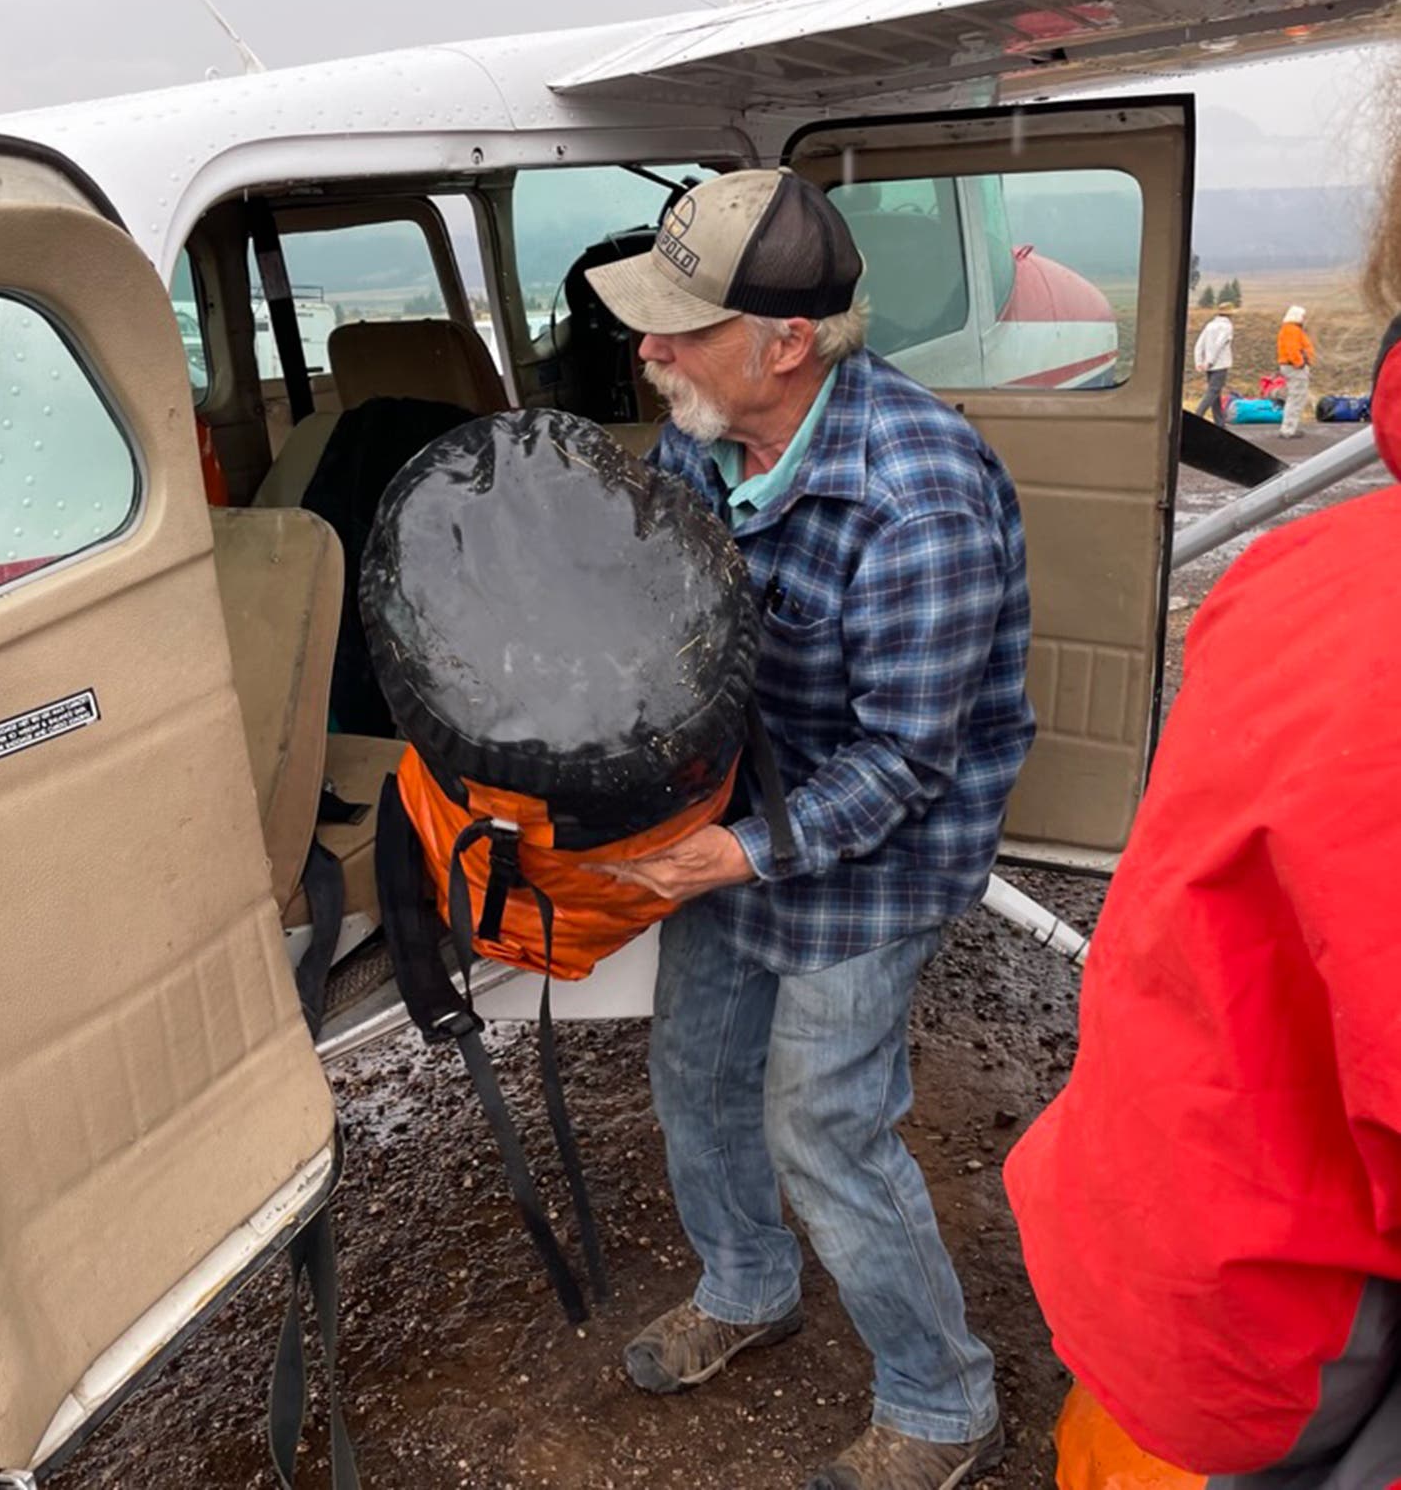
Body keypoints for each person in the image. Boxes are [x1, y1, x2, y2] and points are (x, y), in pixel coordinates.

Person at [584, 168, 1036, 1490]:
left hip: (876, 852)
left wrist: (730, 852)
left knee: (824, 1125)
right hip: (737, 807)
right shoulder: (701, 434)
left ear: (786, 344)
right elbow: (666, 618)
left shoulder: (918, 495)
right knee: (695, 1073)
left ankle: (944, 1404)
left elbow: (907, 760)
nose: (649, 349)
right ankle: (748, 1284)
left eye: (682, 326)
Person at [1002, 254, 1401, 1483]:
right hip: (1261, 1340)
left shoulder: (1292, 577)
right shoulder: (1313, 588)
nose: (650, 354)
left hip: (1199, 1324)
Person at [1276, 303, 1317, 437]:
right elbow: (1292, 349)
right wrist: (1300, 363)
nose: (1304, 319)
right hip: (1294, 367)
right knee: (1296, 397)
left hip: (1291, 366)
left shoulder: (1290, 329)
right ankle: (1288, 430)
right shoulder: (1292, 330)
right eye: (1303, 316)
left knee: (1295, 397)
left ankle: (1289, 428)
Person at [1192, 302, 1235, 424]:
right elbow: (1219, 345)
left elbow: (1200, 344)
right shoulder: (1227, 326)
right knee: (1213, 391)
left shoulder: (1210, 325)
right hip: (1220, 364)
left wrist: (1199, 361)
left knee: (1215, 394)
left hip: (1209, 364)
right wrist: (1210, 361)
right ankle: (1198, 415)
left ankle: (1219, 422)